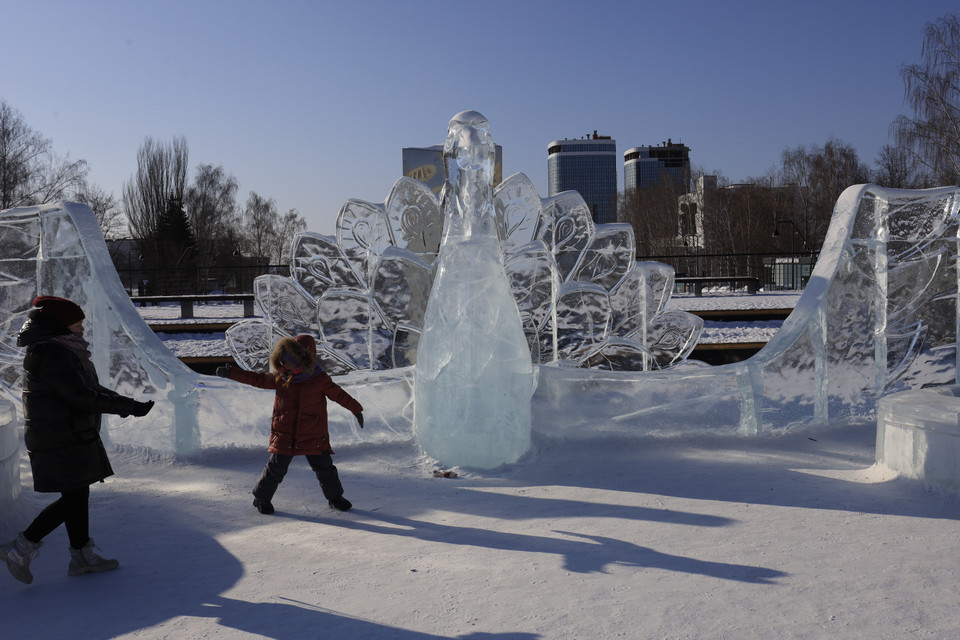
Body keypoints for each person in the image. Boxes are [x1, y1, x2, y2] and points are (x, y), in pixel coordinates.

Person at [1, 296, 155, 585]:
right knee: (73, 498)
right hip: (60, 435)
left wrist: (128, 403)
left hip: (65, 432)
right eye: (77, 323)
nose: (82, 328)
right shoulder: (54, 353)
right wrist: (128, 408)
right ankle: (21, 548)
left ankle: (81, 556)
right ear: (60, 325)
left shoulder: (60, 349)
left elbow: (88, 387)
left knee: (76, 495)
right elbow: (81, 397)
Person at [216, 334, 364, 515]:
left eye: (292, 361)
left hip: (313, 432)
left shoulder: (319, 379)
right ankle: (261, 498)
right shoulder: (281, 377)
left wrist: (356, 409)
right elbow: (258, 379)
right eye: (285, 360)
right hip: (285, 432)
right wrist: (232, 373)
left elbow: (339, 394)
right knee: (276, 468)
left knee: (325, 468)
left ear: (305, 360)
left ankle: (335, 498)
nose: (287, 365)